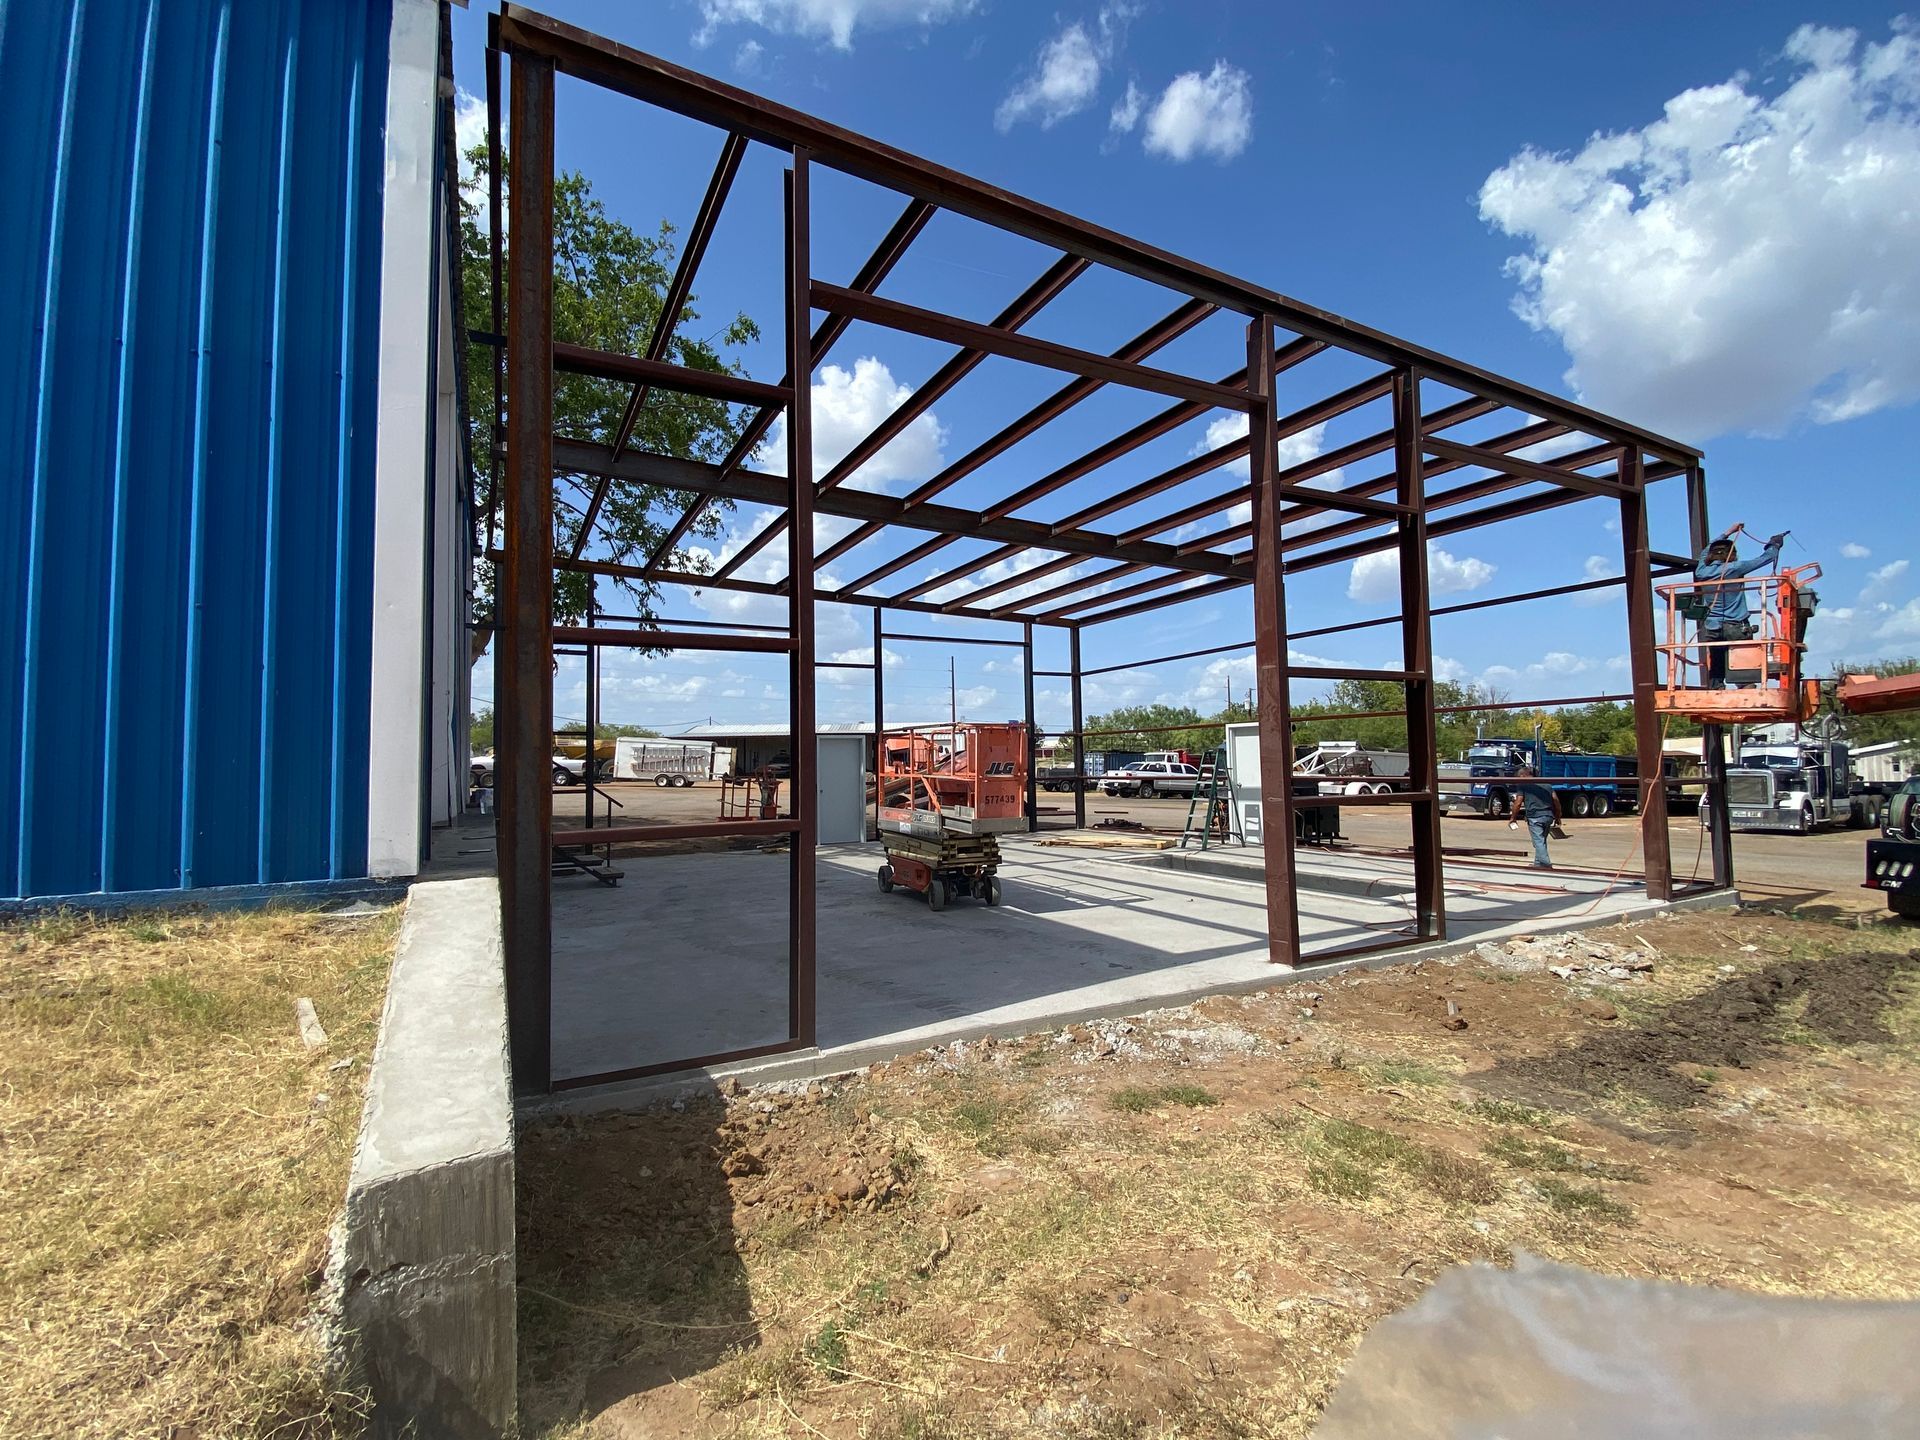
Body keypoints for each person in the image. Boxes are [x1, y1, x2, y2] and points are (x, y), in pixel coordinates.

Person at [1694, 524, 1786, 687]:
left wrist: (1728, 532)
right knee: (1743, 666)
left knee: (1716, 663)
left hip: (1712, 628)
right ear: (1732, 554)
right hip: (1736, 625)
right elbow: (1765, 558)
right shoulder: (1735, 567)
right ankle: (1746, 690)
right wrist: (1774, 544)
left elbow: (1705, 551)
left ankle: (1717, 690)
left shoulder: (1701, 571)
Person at [1508, 760, 1561, 870]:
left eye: (1519, 778)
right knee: (1541, 841)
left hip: (1535, 817)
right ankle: (1538, 863)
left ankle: (1546, 864)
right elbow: (1556, 800)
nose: (1518, 781)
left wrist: (1513, 818)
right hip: (1548, 816)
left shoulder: (1524, 786)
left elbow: (1518, 803)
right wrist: (1558, 816)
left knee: (1538, 841)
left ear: (1523, 775)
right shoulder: (1546, 784)